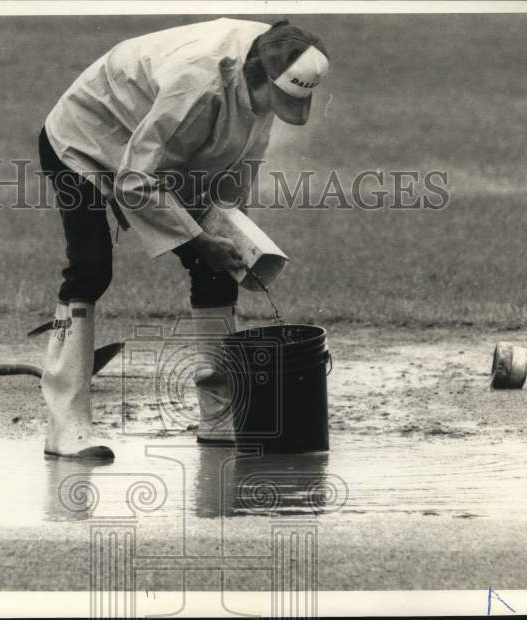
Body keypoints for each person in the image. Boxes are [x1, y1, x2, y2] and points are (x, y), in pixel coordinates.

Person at [37, 17, 330, 460]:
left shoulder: (267, 75)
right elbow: (135, 180)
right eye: (282, 97)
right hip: (87, 139)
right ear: (261, 77)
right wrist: (196, 240)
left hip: (156, 146)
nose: (282, 107)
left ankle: (218, 415)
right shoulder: (198, 84)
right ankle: (66, 425)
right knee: (91, 267)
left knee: (217, 266)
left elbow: (234, 178)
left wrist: (233, 241)